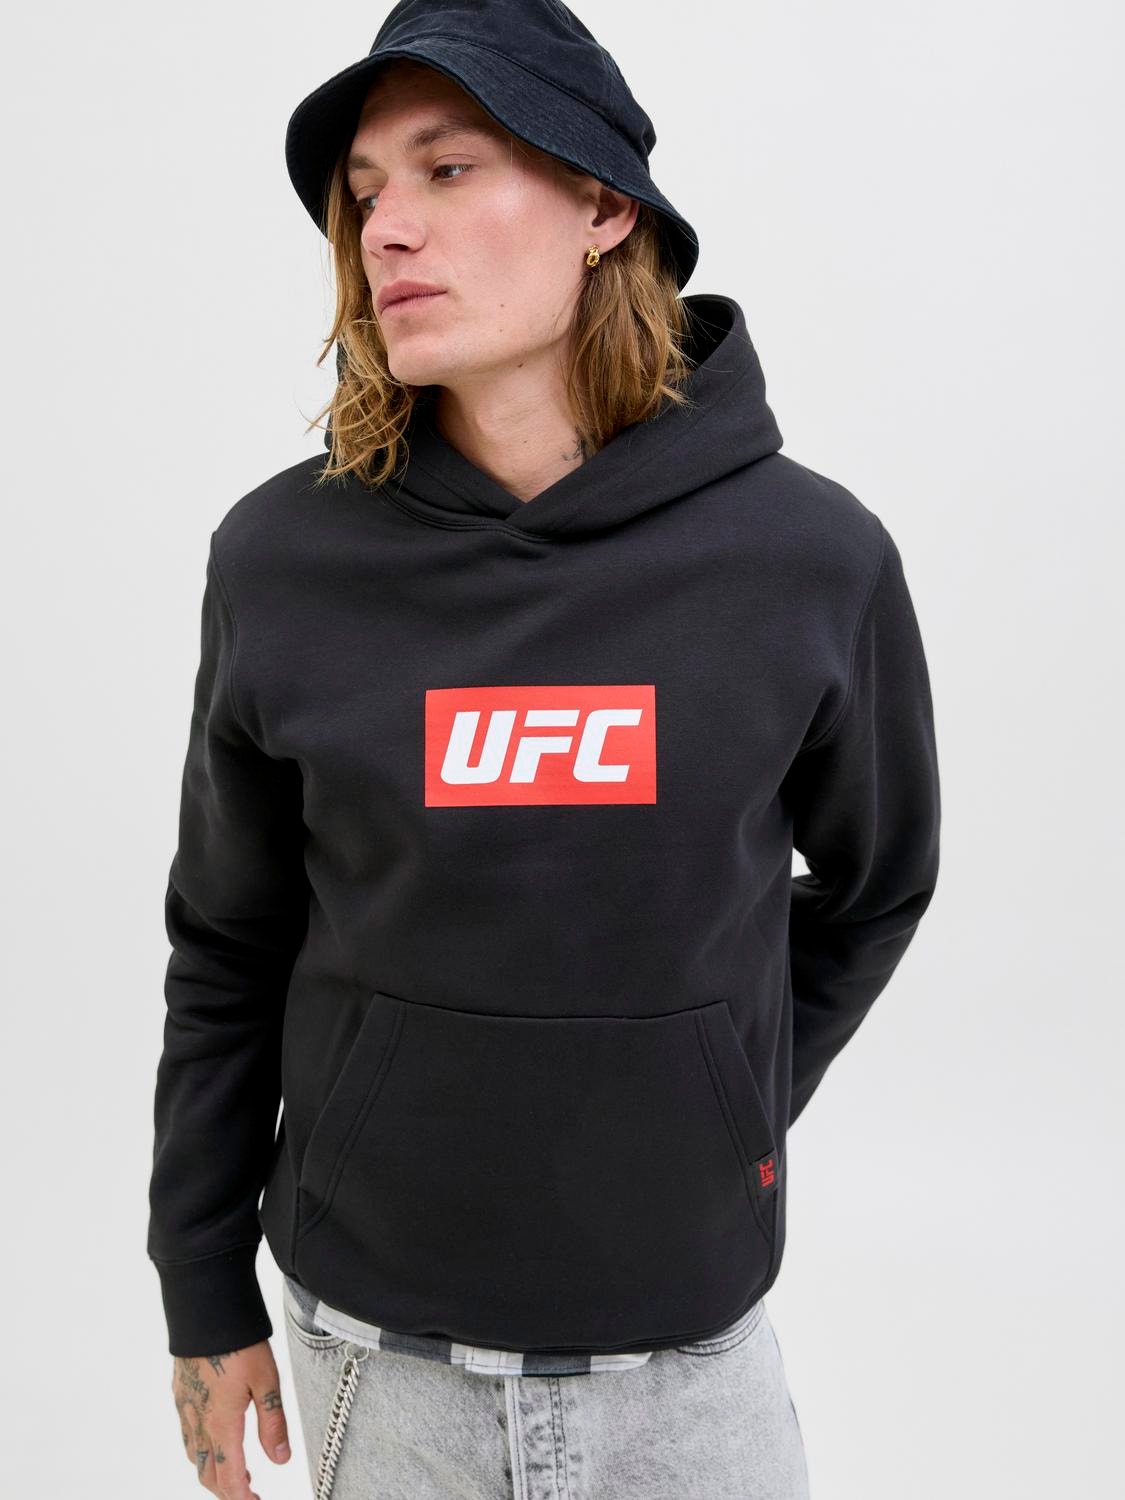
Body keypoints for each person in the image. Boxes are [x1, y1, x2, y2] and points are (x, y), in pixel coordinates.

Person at [146, 2, 942, 1497]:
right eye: (365, 192)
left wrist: (711, 1105)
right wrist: (200, 1290)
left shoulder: (809, 561)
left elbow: (875, 884)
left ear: (602, 206)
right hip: (373, 1358)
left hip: (688, 1371)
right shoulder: (283, 561)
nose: (385, 228)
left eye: (447, 169)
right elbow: (229, 940)